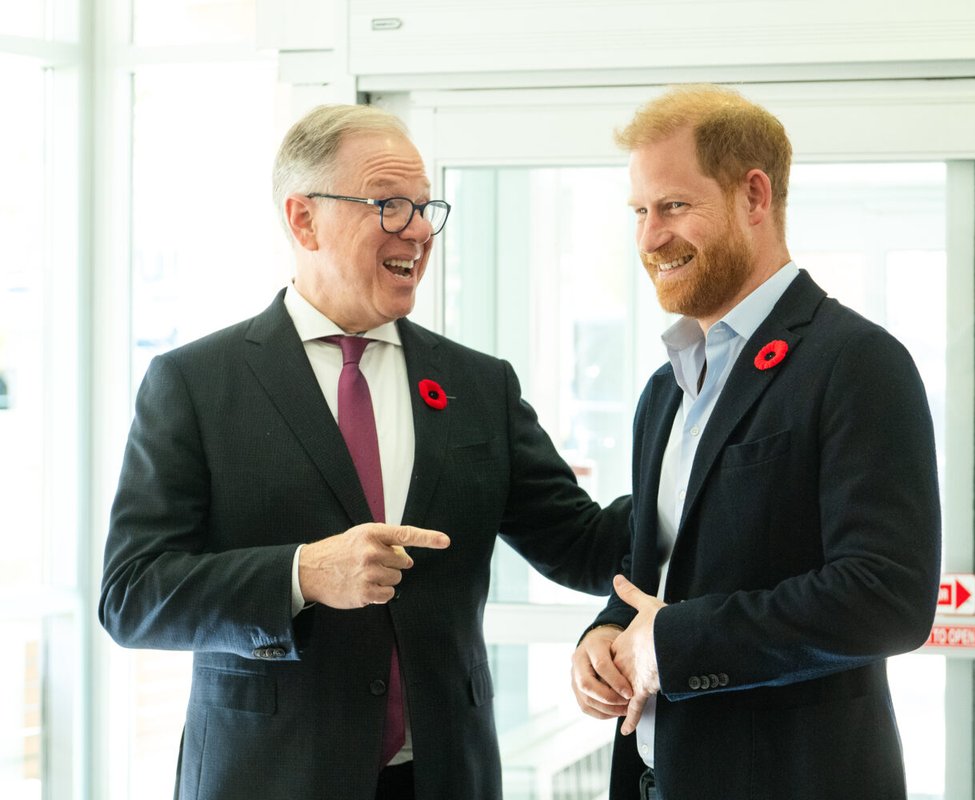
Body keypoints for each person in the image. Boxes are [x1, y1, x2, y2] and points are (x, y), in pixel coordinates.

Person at [99, 103, 629, 800]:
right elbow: (133, 595)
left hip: (444, 777)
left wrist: (692, 460)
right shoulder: (196, 384)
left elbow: (586, 547)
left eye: (423, 206)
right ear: (303, 219)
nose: (416, 229)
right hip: (269, 777)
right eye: (387, 204)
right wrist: (303, 574)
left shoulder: (477, 385)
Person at [569, 85, 942, 799]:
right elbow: (661, 573)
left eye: (674, 206)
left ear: (754, 196)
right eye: (640, 212)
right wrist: (607, 635)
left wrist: (673, 644)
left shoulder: (855, 362)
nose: (650, 237)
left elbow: (886, 597)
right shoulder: (664, 390)